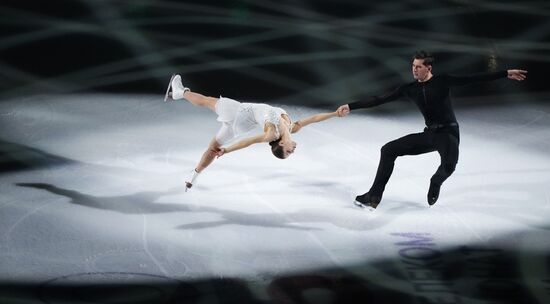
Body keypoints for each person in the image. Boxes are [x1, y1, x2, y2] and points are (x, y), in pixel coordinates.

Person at [337, 51, 527, 209]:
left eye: (418, 66)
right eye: (413, 66)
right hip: (430, 134)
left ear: (428, 68)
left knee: (449, 166)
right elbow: (379, 99)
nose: (414, 69)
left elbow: (474, 78)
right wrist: (351, 106)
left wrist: (504, 73)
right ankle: (373, 196)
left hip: (448, 133)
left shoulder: (443, 81)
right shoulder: (409, 88)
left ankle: (435, 182)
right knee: (388, 150)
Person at [165, 74, 345, 190]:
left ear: (281, 144)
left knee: (206, 101)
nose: (294, 150)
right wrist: (334, 114)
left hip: (237, 112)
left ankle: (181, 92)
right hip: (239, 127)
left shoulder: (272, 134)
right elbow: (313, 119)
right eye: (291, 152)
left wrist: (227, 150)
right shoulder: (293, 128)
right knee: (212, 148)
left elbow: (250, 141)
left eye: (289, 151)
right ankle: (193, 177)